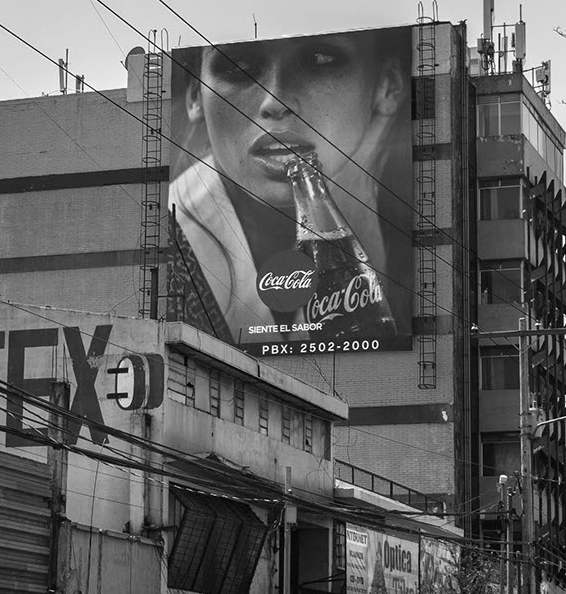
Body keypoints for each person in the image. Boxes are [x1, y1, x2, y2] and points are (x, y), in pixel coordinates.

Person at [166, 29, 415, 352]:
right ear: (195, 96)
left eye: (320, 60)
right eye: (239, 67)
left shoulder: (411, 245)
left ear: (389, 84)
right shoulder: (161, 248)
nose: (276, 101)